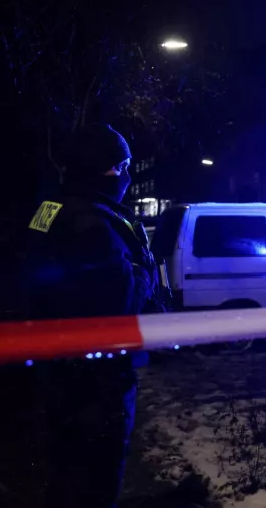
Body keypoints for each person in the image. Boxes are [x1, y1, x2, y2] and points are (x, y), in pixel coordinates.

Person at [25, 123, 161, 508]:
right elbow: (120, 298)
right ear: (105, 169)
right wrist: (145, 272)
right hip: (99, 378)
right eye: (122, 166)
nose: (127, 175)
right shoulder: (93, 223)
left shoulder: (50, 209)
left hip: (57, 368)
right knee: (96, 482)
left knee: (64, 473)